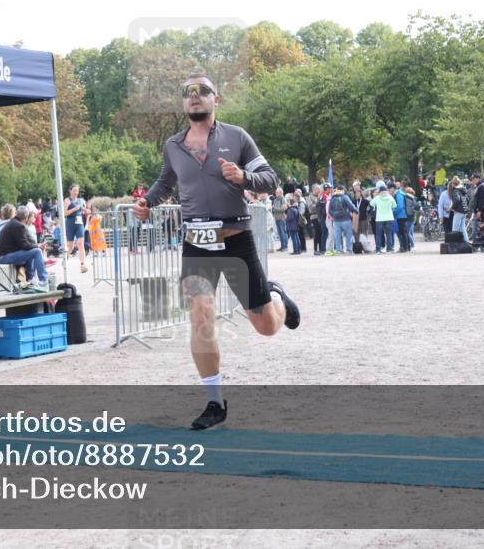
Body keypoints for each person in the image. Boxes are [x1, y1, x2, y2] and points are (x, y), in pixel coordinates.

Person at [134, 71, 300, 431]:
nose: (195, 96)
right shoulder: (173, 146)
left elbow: (270, 178)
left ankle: (277, 297)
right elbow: (166, 182)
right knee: (201, 316)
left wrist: (244, 177)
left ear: (215, 99)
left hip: (236, 236)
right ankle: (214, 402)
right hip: (196, 242)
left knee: (266, 326)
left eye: (203, 91)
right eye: (188, 92)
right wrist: (147, 202)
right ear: (183, 102)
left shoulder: (237, 137)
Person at [0, 206, 49, 290]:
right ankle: (43, 280)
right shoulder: (18, 226)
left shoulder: (13, 223)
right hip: (3, 257)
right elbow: (25, 245)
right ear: (26, 218)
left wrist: (36, 245)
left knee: (33, 251)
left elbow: (26, 244)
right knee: (37, 251)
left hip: (2, 255)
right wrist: (38, 246)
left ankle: (31, 280)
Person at [64, 184, 89, 272]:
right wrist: (74, 209)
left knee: (80, 243)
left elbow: (85, 210)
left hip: (79, 223)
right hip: (70, 224)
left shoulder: (81, 200)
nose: (76, 192)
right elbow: (64, 213)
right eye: (74, 190)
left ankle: (82, 265)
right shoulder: (67, 200)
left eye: (77, 191)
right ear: (70, 191)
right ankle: (66, 256)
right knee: (70, 246)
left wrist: (87, 211)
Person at [327, 186, 358, 254]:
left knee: (337, 236)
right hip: (346, 219)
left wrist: (334, 216)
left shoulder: (332, 198)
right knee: (348, 235)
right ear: (343, 190)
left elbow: (329, 210)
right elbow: (351, 206)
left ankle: (339, 250)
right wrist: (356, 211)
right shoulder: (345, 197)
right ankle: (349, 250)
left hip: (336, 221)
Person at [371, 182, 396, 253]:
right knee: (389, 234)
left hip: (379, 219)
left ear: (379, 191)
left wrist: (376, 196)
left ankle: (378, 249)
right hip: (389, 218)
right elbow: (394, 206)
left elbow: (371, 203)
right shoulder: (390, 197)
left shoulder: (377, 198)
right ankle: (389, 249)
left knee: (378, 234)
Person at [448, 177, 469, 242]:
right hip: (464, 211)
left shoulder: (456, 190)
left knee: (455, 229)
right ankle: (467, 242)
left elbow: (457, 200)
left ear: (453, 184)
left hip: (459, 211)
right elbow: (468, 200)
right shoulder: (463, 189)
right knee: (462, 228)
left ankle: (455, 245)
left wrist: (452, 208)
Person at [271, 187, 289, 252]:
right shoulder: (275, 200)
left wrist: (275, 208)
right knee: (280, 233)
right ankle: (282, 246)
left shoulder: (283, 199)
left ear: (280, 193)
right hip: (277, 218)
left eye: (277, 192)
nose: (275, 193)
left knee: (283, 232)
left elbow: (283, 208)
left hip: (281, 218)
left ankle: (285, 247)